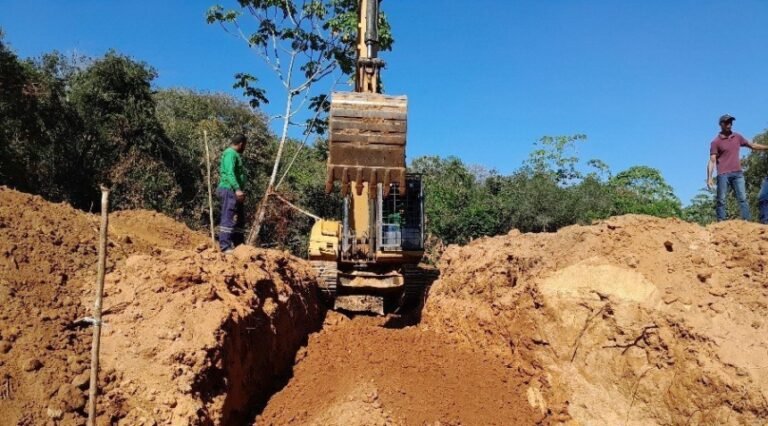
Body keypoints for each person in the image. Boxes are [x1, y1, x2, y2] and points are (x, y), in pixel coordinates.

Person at [706, 114, 768, 221]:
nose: (729, 124)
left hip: (738, 173)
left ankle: (747, 221)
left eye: (730, 122)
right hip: (723, 174)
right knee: (721, 200)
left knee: (743, 198)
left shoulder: (737, 137)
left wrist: (767, 147)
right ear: (721, 124)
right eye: (726, 122)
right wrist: (709, 177)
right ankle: (721, 222)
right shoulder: (715, 142)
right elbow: (712, 160)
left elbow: (752, 145)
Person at [218, 134, 247, 253]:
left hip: (234, 191)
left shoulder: (234, 154)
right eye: (244, 145)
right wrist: (237, 189)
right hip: (229, 189)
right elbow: (229, 173)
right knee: (228, 216)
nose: (244, 147)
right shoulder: (230, 153)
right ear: (241, 144)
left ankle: (240, 245)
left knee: (240, 218)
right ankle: (225, 246)